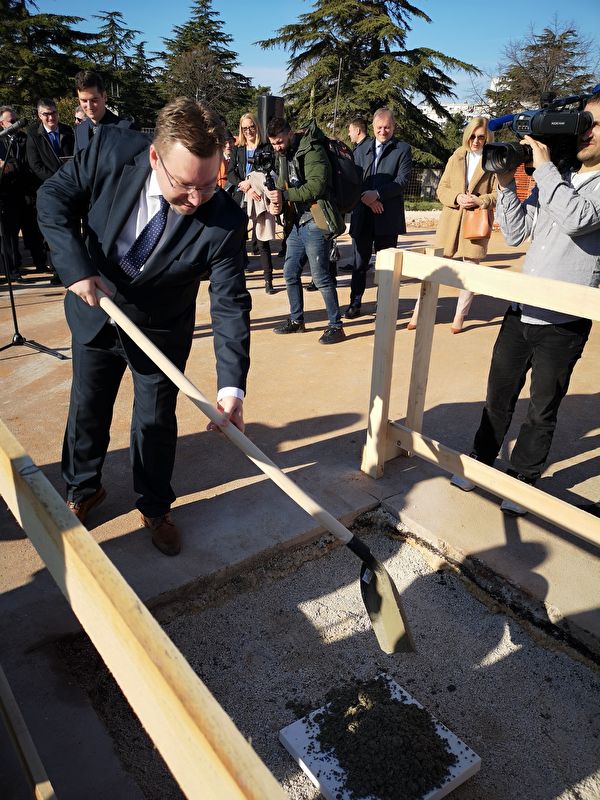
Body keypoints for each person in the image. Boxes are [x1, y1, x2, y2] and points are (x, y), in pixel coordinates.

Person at [37, 97, 251, 555]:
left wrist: (231, 388)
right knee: (87, 407)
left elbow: (230, 302)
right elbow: (52, 198)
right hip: (95, 309)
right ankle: (82, 489)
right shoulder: (110, 150)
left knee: (154, 421)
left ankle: (155, 505)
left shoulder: (225, 220)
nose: (197, 200)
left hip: (160, 329)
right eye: (185, 186)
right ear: (155, 157)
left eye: (208, 185)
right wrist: (75, 268)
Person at [450, 93, 600, 516]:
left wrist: (545, 167)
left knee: (541, 408)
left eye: (595, 125)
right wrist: (505, 183)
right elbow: (517, 233)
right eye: (584, 122)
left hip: (565, 319)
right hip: (522, 309)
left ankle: (522, 481)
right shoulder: (559, 175)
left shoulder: (569, 179)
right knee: (497, 396)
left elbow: (577, 219)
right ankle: (481, 461)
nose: (585, 131)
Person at [407, 117, 497, 333]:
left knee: (470, 269)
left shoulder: (493, 160)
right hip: (451, 219)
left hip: (476, 220)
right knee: (436, 265)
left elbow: (497, 195)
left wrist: (479, 200)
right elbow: (442, 189)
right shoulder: (456, 157)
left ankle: (460, 316)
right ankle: (419, 311)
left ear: (488, 138)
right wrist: (457, 197)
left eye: (481, 137)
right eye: (472, 136)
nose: (476, 141)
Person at [266, 117, 345, 344]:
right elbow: (282, 184)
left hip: (315, 219)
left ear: (290, 134)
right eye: (273, 144)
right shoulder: (283, 154)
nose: (277, 147)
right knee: (290, 272)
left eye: (280, 142)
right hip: (296, 222)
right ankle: (296, 320)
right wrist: (276, 201)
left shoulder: (312, 149)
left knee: (320, 277)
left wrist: (285, 195)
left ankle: (336, 326)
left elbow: (317, 186)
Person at [346, 108, 412, 319]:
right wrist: (367, 198)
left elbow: (401, 180)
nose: (383, 131)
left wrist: (377, 195)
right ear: (373, 127)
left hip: (387, 217)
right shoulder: (360, 149)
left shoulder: (402, 149)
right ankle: (355, 303)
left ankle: (383, 305)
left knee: (386, 267)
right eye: (379, 127)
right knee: (359, 264)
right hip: (363, 215)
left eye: (387, 127)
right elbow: (353, 179)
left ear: (394, 127)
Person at [26, 98, 75, 285]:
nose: (51, 117)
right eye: (46, 114)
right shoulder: (34, 135)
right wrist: (55, 181)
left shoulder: (68, 131)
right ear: (39, 115)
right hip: (49, 191)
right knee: (53, 234)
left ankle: (75, 269)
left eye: (53, 112)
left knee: (72, 230)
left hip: (70, 189)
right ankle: (57, 271)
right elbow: (35, 165)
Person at [227, 112, 275, 290]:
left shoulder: (266, 147)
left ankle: (268, 279)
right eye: (244, 128)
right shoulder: (238, 148)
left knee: (262, 240)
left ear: (257, 126)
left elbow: (269, 170)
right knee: (238, 239)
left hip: (259, 197)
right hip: (242, 196)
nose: (248, 131)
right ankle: (238, 278)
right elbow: (231, 173)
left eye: (251, 127)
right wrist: (244, 185)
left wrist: (253, 183)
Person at [74, 70, 134, 153]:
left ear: (105, 96)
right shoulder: (79, 130)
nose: (89, 106)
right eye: (84, 101)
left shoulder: (126, 129)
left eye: (94, 100)